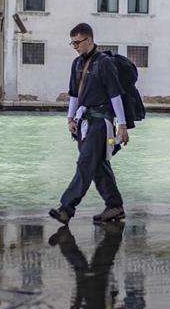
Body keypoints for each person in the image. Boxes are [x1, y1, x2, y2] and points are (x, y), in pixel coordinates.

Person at [50, 23, 129, 225]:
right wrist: (70, 119)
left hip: (101, 123)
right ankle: (115, 207)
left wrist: (122, 125)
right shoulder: (76, 64)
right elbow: (74, 95)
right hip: (84, 122)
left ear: (89, 40)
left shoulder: (104, 63)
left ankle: (66, 208)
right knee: (98, 166)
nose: (75, 46)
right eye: (73, 43)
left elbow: (115, 95)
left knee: (85, 164)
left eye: (78, 42)